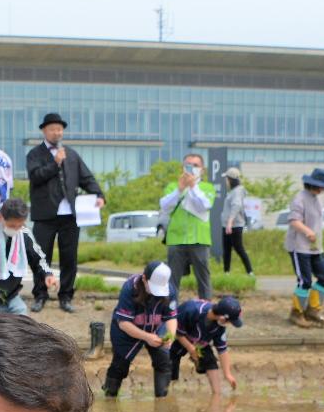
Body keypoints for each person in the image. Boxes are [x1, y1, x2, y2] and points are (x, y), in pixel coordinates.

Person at [25, 113, 104, 313]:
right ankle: (40, 294)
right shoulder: (35, 154)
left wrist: (98, 194)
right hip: (45, 214)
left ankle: (66, 296)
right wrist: (55, 163)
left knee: (70, 257)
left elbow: (86, 177)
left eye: (59, 129)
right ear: (44, 131)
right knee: (42, 256)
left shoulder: (72, 154)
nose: (56, 132)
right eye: (52, 129)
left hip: (70, 214)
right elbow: (36, 177)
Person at [100, 262, 177, 398]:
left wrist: (170, 336)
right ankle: (109, 396)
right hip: (127, 330)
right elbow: (124, 323)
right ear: (144, 278)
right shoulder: (130, 288)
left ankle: (161, 401)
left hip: (155, 327)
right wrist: (147, 337)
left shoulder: (169, 290)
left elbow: (171, 317)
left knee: (164, 361)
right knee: (120, 366)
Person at [160, 153, 217, 300]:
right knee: (172, 279)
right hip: (176, 238)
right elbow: (165, 206)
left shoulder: (207, 187)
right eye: (188, 165)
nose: (191, 169)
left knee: (203, 278)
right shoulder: (173, 186)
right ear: (182, 167)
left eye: (196, 165)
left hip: (199, 239)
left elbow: (205, 205)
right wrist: (179, 190)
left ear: (202, 170)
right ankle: (171, 313)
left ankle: (205, 311)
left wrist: (192, 187)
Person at [284, 168, 324, 328]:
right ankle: (296, 313)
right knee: (305, 281)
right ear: (314, 184)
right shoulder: (299, 198)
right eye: (323, 186)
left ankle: (313, 309)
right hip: (299, 247)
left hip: (316, 247)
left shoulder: (317, 198)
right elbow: (294, 220)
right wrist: (308, 232)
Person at [173, 294, 243, 398]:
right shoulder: (192, 310)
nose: (229, 324)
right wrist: (190, 348)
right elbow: (175, 331)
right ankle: (170, 390)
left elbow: (222, 350)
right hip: (178, 337)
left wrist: (227, 374)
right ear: (222, 317)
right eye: (230, 321)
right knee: (170, 361)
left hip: (199, 342)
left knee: (211, 362)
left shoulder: (219, 326)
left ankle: (216, 395)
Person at [217, 169, 253, 277]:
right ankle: (226, 272)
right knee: (227, 249)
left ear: (231, 179)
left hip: (234, 225)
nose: (225, 181)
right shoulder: (233, 191)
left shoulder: (237, 191)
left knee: (238, 248)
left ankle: (250, 272)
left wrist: (230, 221)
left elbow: (236, 206)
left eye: (227, 179)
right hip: (227, 225)